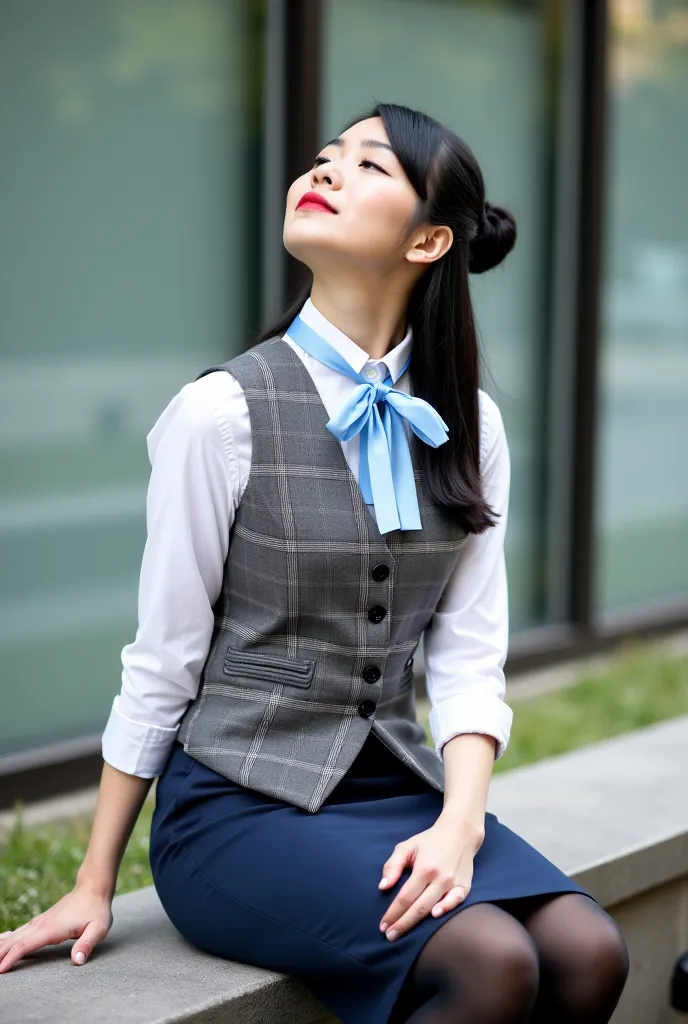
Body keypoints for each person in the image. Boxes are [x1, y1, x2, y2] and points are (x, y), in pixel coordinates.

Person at [0, 102, 630, 1024]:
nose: (326, 171)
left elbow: (464, 655)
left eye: (371, 166)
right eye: (328, 157)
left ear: (428, 242)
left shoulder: (472, 425)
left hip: (398, 788)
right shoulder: (218, 415)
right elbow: (162, 658)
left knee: (589, 952)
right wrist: (96, 880)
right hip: (236, 808)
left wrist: (460, 822)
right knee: (492, 962)